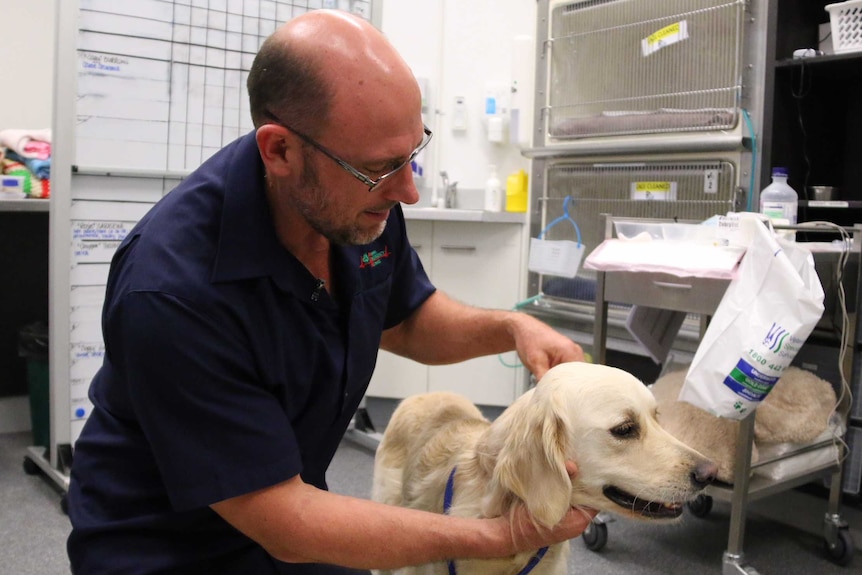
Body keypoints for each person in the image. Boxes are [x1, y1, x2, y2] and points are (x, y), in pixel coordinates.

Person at [66, 9, 593, 575]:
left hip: (295, 508)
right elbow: (286, 524)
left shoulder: (357, 202)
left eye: (413, 154)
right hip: (170, 548)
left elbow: (406, 318)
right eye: (383, 167)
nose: (408, 190)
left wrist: (511, 329)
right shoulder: (171, 291)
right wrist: (496, 536)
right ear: (281, 152)